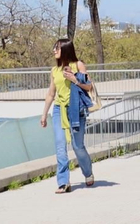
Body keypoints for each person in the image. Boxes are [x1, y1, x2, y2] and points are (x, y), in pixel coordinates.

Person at [40, 37, 96, 193]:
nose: (54, 51)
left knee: (78, 146)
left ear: (65, 49)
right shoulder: (54, 70)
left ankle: (88, 173)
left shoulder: (78, 65)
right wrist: (44, 114)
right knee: (60, 145)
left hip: (75, 109)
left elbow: (89, 86)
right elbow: (51, 94)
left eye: (56, 48)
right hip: (59, 109)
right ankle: (63, 182)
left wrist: (74, 79)